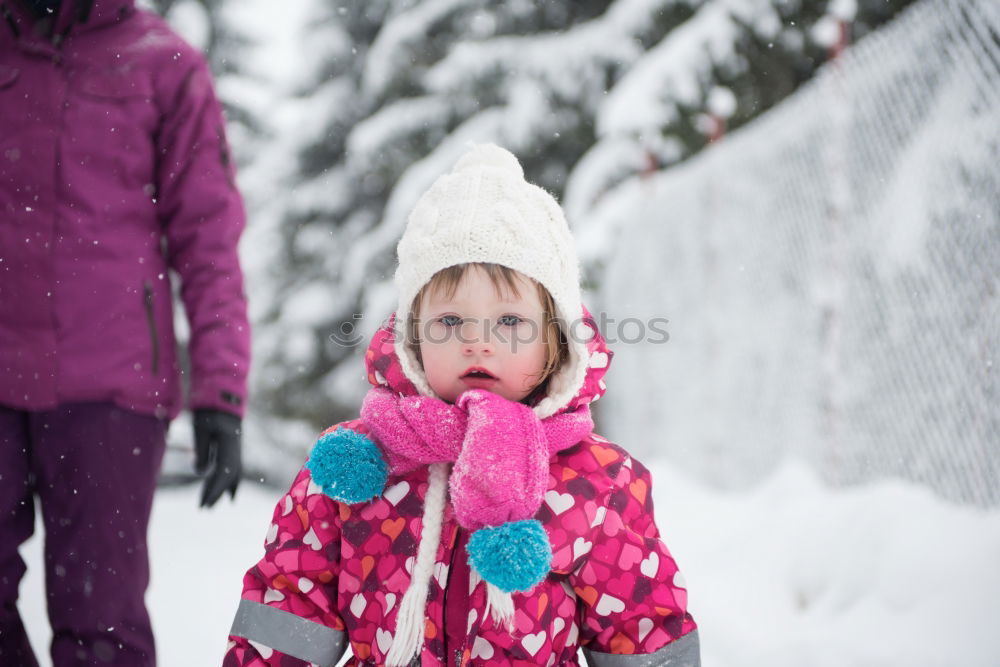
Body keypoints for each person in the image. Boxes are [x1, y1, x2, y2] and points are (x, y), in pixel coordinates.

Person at [225, 144, 698, 666]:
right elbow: (290, 608)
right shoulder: (358, 465)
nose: (479, 342)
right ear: (412, 337)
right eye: (449, 322)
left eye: (511, 322)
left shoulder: (596, 481)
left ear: (557, 342)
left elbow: (642, 627)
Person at [0, 0, 249, 664]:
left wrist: (221, 390)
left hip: (111, 391)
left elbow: (210, 240)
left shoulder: (164, 66)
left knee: (101, 622)